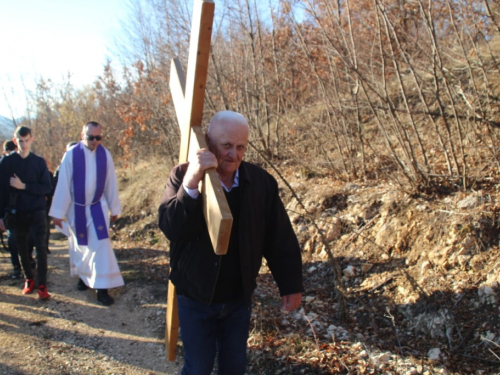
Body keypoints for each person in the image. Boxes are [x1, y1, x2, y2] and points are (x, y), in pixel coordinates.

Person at [158, 110, 304, 374]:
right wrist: (192, 179)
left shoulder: (261, 183)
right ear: (209, 142)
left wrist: (290, 284)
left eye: (240, 147)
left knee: (234, 367)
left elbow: (279, 238)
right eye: (226, 146)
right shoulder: (182, 175)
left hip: (238, 299)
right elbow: (172, 228)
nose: (234, 155)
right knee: (198, 367)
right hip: (195, 296)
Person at [49, 122, 123, 306]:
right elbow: (64, 184)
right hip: (77, 208)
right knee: (82, 247)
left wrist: (114, 209)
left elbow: (110, 182)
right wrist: (58, 212)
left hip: (97, 206)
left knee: (101, 246)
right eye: (91, 137)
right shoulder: (71, 155)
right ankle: (84, 277)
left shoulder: (105, 154)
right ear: (83, 135)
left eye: (99, 137)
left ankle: (102, 289)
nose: (95, 141)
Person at [0, 127, 52, 299]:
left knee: (41, 249)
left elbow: (46, 187)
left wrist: (25, 186)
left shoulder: (38, 162)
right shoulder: (7, 163)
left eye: (26, 140)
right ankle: (29, 279)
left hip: (37, 211)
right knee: (21, 249)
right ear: (15, 141)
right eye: (20, 141)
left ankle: (42, 284)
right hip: (17, 212)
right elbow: (1, 191)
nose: (23, 144)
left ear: (32, 139)